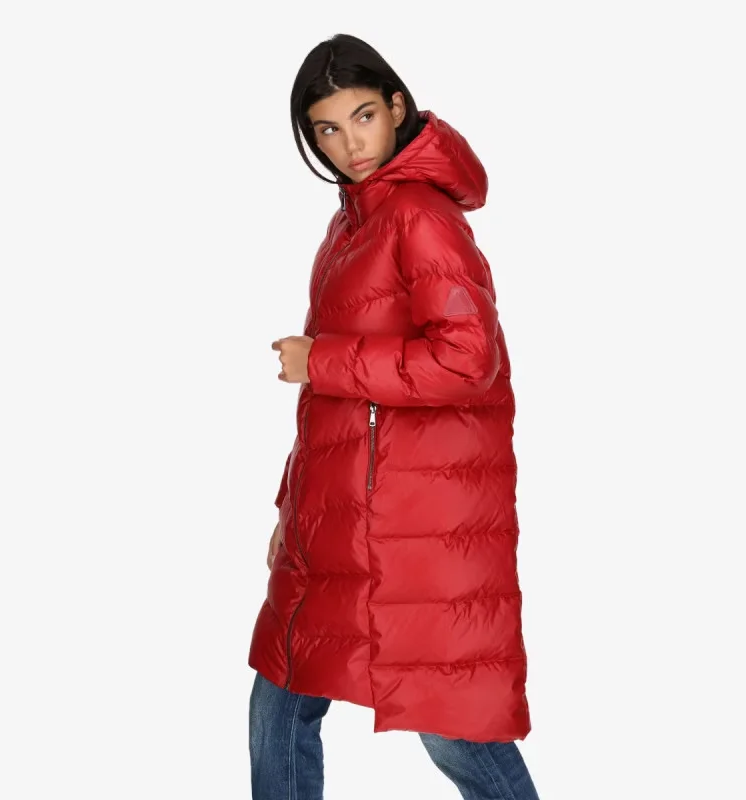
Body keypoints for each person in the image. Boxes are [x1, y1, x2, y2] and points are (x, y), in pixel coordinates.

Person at [248, 33, 540, 800]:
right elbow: (330, 410)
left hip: (418, 524)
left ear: (398, 108)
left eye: (364, 117)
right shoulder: (352, 221)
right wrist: (292, 507)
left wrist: (323, 359)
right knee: (281, 695)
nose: (350, 144)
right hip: (346, 517)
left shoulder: (419, 214)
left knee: (452, 728)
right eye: (328, 129)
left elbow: (467, 360)